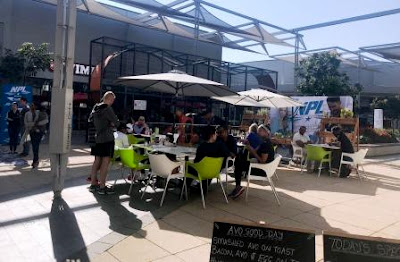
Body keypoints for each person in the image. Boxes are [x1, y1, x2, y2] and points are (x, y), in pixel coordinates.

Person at [230, 124, 275, 199]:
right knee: (239, 160)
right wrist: (249, 146)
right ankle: (238, 187)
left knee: (238, 164)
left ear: (267, 133)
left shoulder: (266, 144)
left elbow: (262, 161)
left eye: (260, 131)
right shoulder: (264, 142)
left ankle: (238, 187)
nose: (258, 132)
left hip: (263, 170)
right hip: (264, 168)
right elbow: (255, 152)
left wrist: (252, 151)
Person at [89, 91, 120, 195]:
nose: (112, 102)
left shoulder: (95, 107)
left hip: (96, 138)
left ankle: (93, 184)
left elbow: (91, 120)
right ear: (110, 99)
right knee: (105, 162)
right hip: (107, 138)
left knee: (97, 161)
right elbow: (117, 122)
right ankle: (102, 186)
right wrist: (111, 123)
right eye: (112, 100)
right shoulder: (107, 108)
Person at [187, 126, 230, 190]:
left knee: (188, 167)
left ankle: (185, 187)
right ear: (212, 135)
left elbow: (196, 161)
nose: (216, 135)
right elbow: (227, 154)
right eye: (215, 133)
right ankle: (202, 187)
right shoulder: (221, 145)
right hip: (215, 172)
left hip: (202, 172)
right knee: (206, 166)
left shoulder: (201, 147)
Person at [25, 103, 48, 168]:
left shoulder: (42, 114)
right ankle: (35, 160)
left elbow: (45, 122)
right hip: (33, 132)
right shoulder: (31, 113)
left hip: (38, 132)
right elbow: (27, 123)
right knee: (34, 146)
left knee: (35, 146)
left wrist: (35, 125)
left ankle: (35, 160)